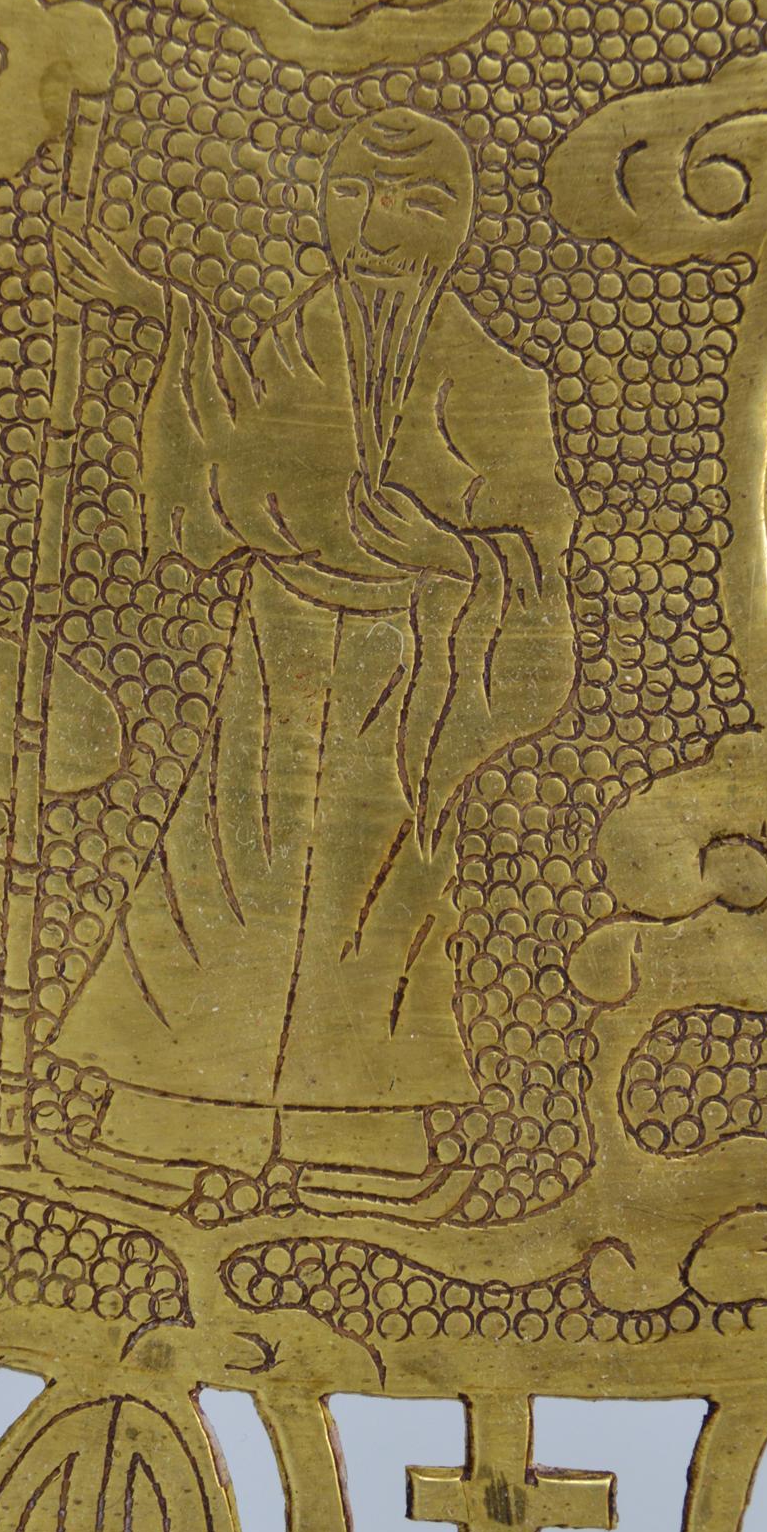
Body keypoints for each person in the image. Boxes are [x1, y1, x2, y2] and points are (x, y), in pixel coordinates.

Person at [54, 107, 577, 1179]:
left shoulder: (501, 380)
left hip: (417, 658)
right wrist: (158, 310)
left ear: (460, 225)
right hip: (279, 640)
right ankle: (169, 1108)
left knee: (376, 879)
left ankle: (364, 1130)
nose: (378, 230)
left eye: (415, 204)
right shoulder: (304, 332)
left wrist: (447, 551)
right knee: (219, 857)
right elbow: (238, 441)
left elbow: (534, 553)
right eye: (355, 195)